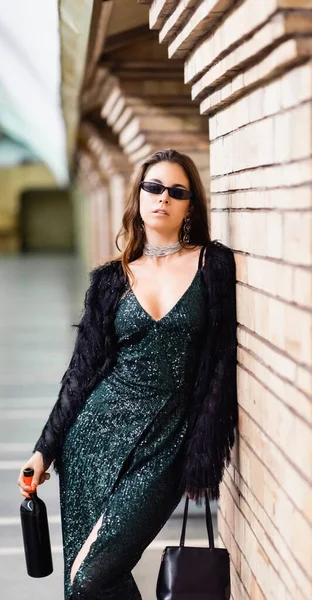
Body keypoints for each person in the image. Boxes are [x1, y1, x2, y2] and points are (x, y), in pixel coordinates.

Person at [17, 148, 238, 599]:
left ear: (190, 205)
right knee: (97, 583)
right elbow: (80, 374)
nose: (163, 198)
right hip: (92, 440)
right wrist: (44, 451)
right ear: (138, 196)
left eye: (177, 192)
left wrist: (205, 454)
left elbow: (219, 362)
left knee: (88, 578)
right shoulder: (110, 280)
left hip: (167, 443)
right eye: (153, 187)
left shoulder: (212, 265)